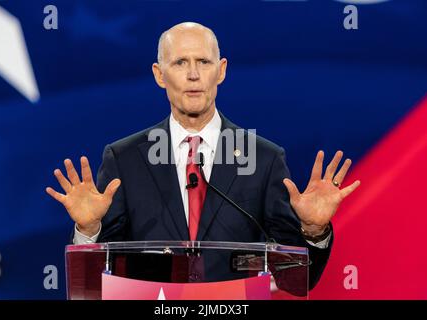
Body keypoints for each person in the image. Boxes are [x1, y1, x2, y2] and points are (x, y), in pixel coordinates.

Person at [46, 22, 360, 289]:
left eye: (204, 62)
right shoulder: (125, 159)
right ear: (159, 74)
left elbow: (296, 281)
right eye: (180, 62)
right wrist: (89, 232)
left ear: (221, 71)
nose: (193, 75)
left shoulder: (263, 159)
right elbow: (98, 279)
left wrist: (313, 232)